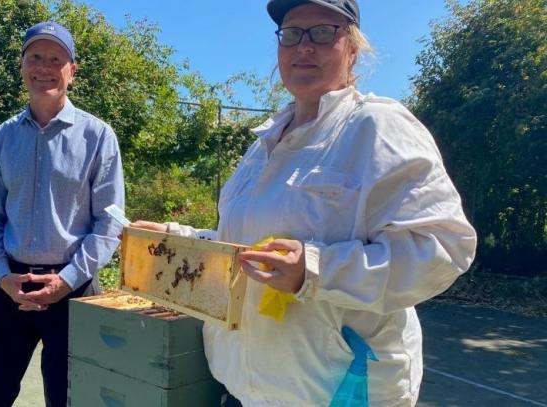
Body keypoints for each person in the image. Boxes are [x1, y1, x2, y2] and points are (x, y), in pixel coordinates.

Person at [131, 1, 476, 405]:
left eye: (322, 32)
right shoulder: (262, 145)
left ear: (353, 47)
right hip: (246, 387)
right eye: (292, 33)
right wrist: (178, 237)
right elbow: (247, 245)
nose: (304, 46)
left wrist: (315, 270)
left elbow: (442, 249)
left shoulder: (378, 128)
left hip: (338, 390)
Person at [0, 21, 124, 407]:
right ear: (22, 65)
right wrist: (3, 276)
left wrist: (68, 280)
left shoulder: (99, 136)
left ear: (72, 70)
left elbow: (110, 222)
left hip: (74, 291)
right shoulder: (2, 138)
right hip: (9, 288)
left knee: (72, 399)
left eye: (56, 58)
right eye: (35, 56)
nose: (45, 67)